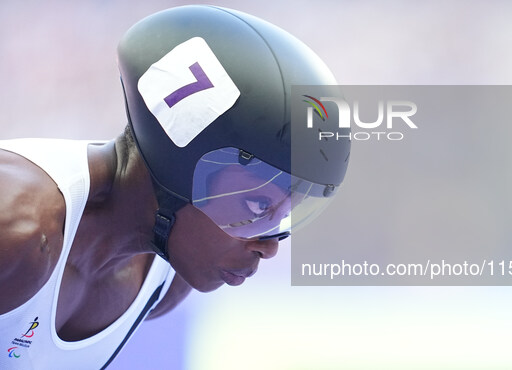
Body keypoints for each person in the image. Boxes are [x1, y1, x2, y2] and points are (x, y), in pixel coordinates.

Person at [0, 5, 349, 370]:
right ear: (181, 170)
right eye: (259, 207)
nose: (269, 249)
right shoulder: (16, 231)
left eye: (283, 215)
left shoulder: (169, 278)